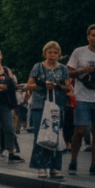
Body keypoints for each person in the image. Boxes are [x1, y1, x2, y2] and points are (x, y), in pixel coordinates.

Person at [66, 24, 95, 176]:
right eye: (93, 35)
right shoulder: (79, 52)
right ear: (88, 37)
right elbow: (68, 72)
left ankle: (94, 165)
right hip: (82, 98)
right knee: (80, 131)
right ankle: (73, 161)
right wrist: (83, 70)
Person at [27, 41, 72, 178]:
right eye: (50, 52)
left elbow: (68, 87)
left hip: (57, 105)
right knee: (40, 136)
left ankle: (55, 167)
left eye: (55, 52)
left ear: (59, 54)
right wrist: (42, 84)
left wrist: (58, 86)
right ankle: (40, 166)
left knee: (56, 135)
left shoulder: (63, 68)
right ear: (45, 53)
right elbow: (30, 84)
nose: (53, 55)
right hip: (40, 105)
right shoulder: (38, 67)